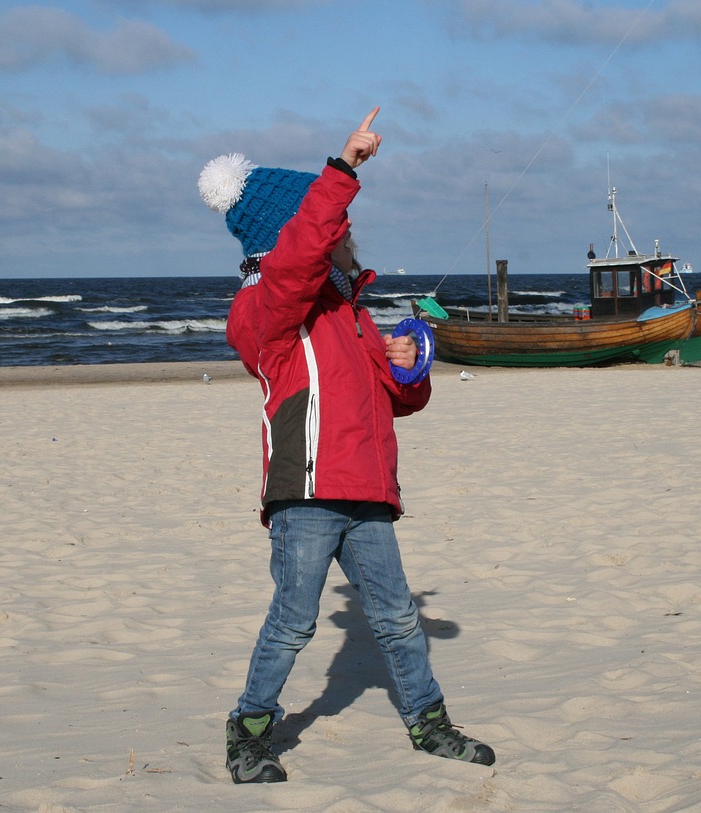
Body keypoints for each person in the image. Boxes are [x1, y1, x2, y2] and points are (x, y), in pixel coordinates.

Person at [198, 107, 495, 784]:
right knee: (294, 621)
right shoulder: (264, 307)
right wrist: (342, 171)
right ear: (291, 232)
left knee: (397, 618)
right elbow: (296, 262)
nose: (343, 230)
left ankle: (429, 722)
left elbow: (392, 401)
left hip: (367, 488)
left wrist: (407, 363)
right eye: (326, 223)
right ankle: (248, 730)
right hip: (305, 492)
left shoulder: (348, 312)